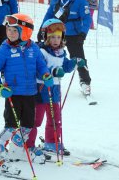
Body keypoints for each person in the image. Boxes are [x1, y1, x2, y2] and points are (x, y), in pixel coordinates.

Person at [0, 14, 53, 172]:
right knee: (11, 125)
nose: (9, 33)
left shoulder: (33, 48)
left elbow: (41, 66)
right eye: (8, 30)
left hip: (30, 93)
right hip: (13, 94)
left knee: (27, 126)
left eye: (14, 30)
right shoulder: (5, 49)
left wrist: (45, 75)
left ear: (25, 32)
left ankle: (17, 150)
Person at [26, 18, 85, 156]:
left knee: (55, 118)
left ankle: (52, 142)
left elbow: (65, 66)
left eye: (58, 37)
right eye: (52, 37)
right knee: (36, 119)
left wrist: (75, 62)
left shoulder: (61, 53)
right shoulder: (42, 52)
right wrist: (52, 72)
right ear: (45, 37)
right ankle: (28, 144)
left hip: (54, 90)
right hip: (40, 90)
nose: (55, 40)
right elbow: (38, 69)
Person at [39, 0, 92, 95]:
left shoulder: (80, 0)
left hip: (74, 35)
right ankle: (47, 77)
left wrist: (83, 33)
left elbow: (87, 19)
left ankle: (85, 82)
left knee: (79, 58)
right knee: (50, 56)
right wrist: (41, 29)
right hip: (56, 34)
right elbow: (49, 14)